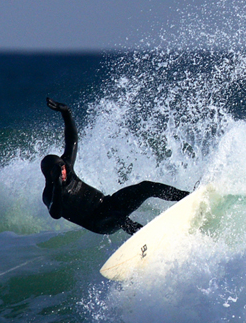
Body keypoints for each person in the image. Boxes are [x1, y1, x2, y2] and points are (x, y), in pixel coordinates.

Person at [41, 97, 189, 235]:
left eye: (62, 166)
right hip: (98, 223)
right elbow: (56, 214)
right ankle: (144, 237)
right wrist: (58, 186)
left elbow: (71, 140)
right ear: (50, 175)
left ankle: (185, 197)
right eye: (58, 170)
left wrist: (66, 112)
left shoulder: (67, 167)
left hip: (107, 203)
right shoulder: (49, 194)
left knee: (145, 187)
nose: (63, 170)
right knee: (120, 218)